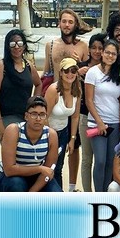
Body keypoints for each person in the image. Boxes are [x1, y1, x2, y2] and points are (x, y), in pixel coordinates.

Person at [43, 8, 90, 192]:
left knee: (74, 145)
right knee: (51, 148)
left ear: (75, 24)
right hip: (54, 97)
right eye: (64, 21)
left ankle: (71, 185)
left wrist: (81, 65)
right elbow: (46, 73)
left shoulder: (82, 46)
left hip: (75, 97)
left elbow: (89, 70)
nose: (67, 25)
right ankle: (51, 185)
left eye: (70, 22)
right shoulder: (51, 45)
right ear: (59, 23)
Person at [0, 96, 60, 192]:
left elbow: (48, 171)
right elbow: (9, 170)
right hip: (12, 177)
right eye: (34, 114)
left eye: (42, 115)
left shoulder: (51, 135)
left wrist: (32, 193)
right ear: (26, 116)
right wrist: (40, 168)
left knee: (56, 194)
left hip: (38, 176)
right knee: (16, 185)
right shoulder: (14, 130)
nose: (38, 118)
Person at [85, 39, 120, 192]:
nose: (110, 56)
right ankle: (98, 194)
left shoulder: (118, 74)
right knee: (100, 161)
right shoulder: (92, 72)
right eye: (107, 52)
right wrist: (99, 122)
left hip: (114, 122)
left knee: (110, 162)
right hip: (97, 123)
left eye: (113, 54)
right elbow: (89, 100)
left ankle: (107, 195)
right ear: (102, 53)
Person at [0, 29, 42, 140]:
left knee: (25, 154)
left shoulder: (28, 65)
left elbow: (38, 84)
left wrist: (34, 102)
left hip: (26, 117)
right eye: (12, 44)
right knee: (10, 154)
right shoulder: (1, 66)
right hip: (7, 118)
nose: (16, 47)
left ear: (24, 46)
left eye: (20, 43)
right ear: (8, 47)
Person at [45, 57, 81, 190]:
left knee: (59, 167)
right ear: (60, 72)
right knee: (49, 166)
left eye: (73, 71)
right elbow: (44, 116)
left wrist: (72, 139)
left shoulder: (77, 90)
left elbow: (75, 116)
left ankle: (58, 195)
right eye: (66, 71)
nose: (70, 74)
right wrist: (50, 137)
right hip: (49, 132)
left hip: (64, 132)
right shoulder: (53, 90)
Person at [76, 32, 106, 191]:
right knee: (87, 158)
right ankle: (87, 193)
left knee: (101, 159)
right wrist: (77, 75)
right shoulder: (81, 67)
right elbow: (68, 87)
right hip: (85, 118)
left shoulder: (108, 68)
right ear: (89, 49)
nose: (97, 51)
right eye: (93, 47)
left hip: (104, 118)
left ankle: (101, 191)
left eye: (100, 48)